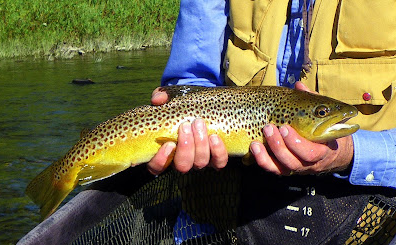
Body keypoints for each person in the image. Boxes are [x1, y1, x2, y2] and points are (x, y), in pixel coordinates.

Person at [146, 0, 396, 190]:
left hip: (368, 223)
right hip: (230, 204)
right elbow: (193, 77)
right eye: (321, 114)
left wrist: (350, 152)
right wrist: (192, 136)